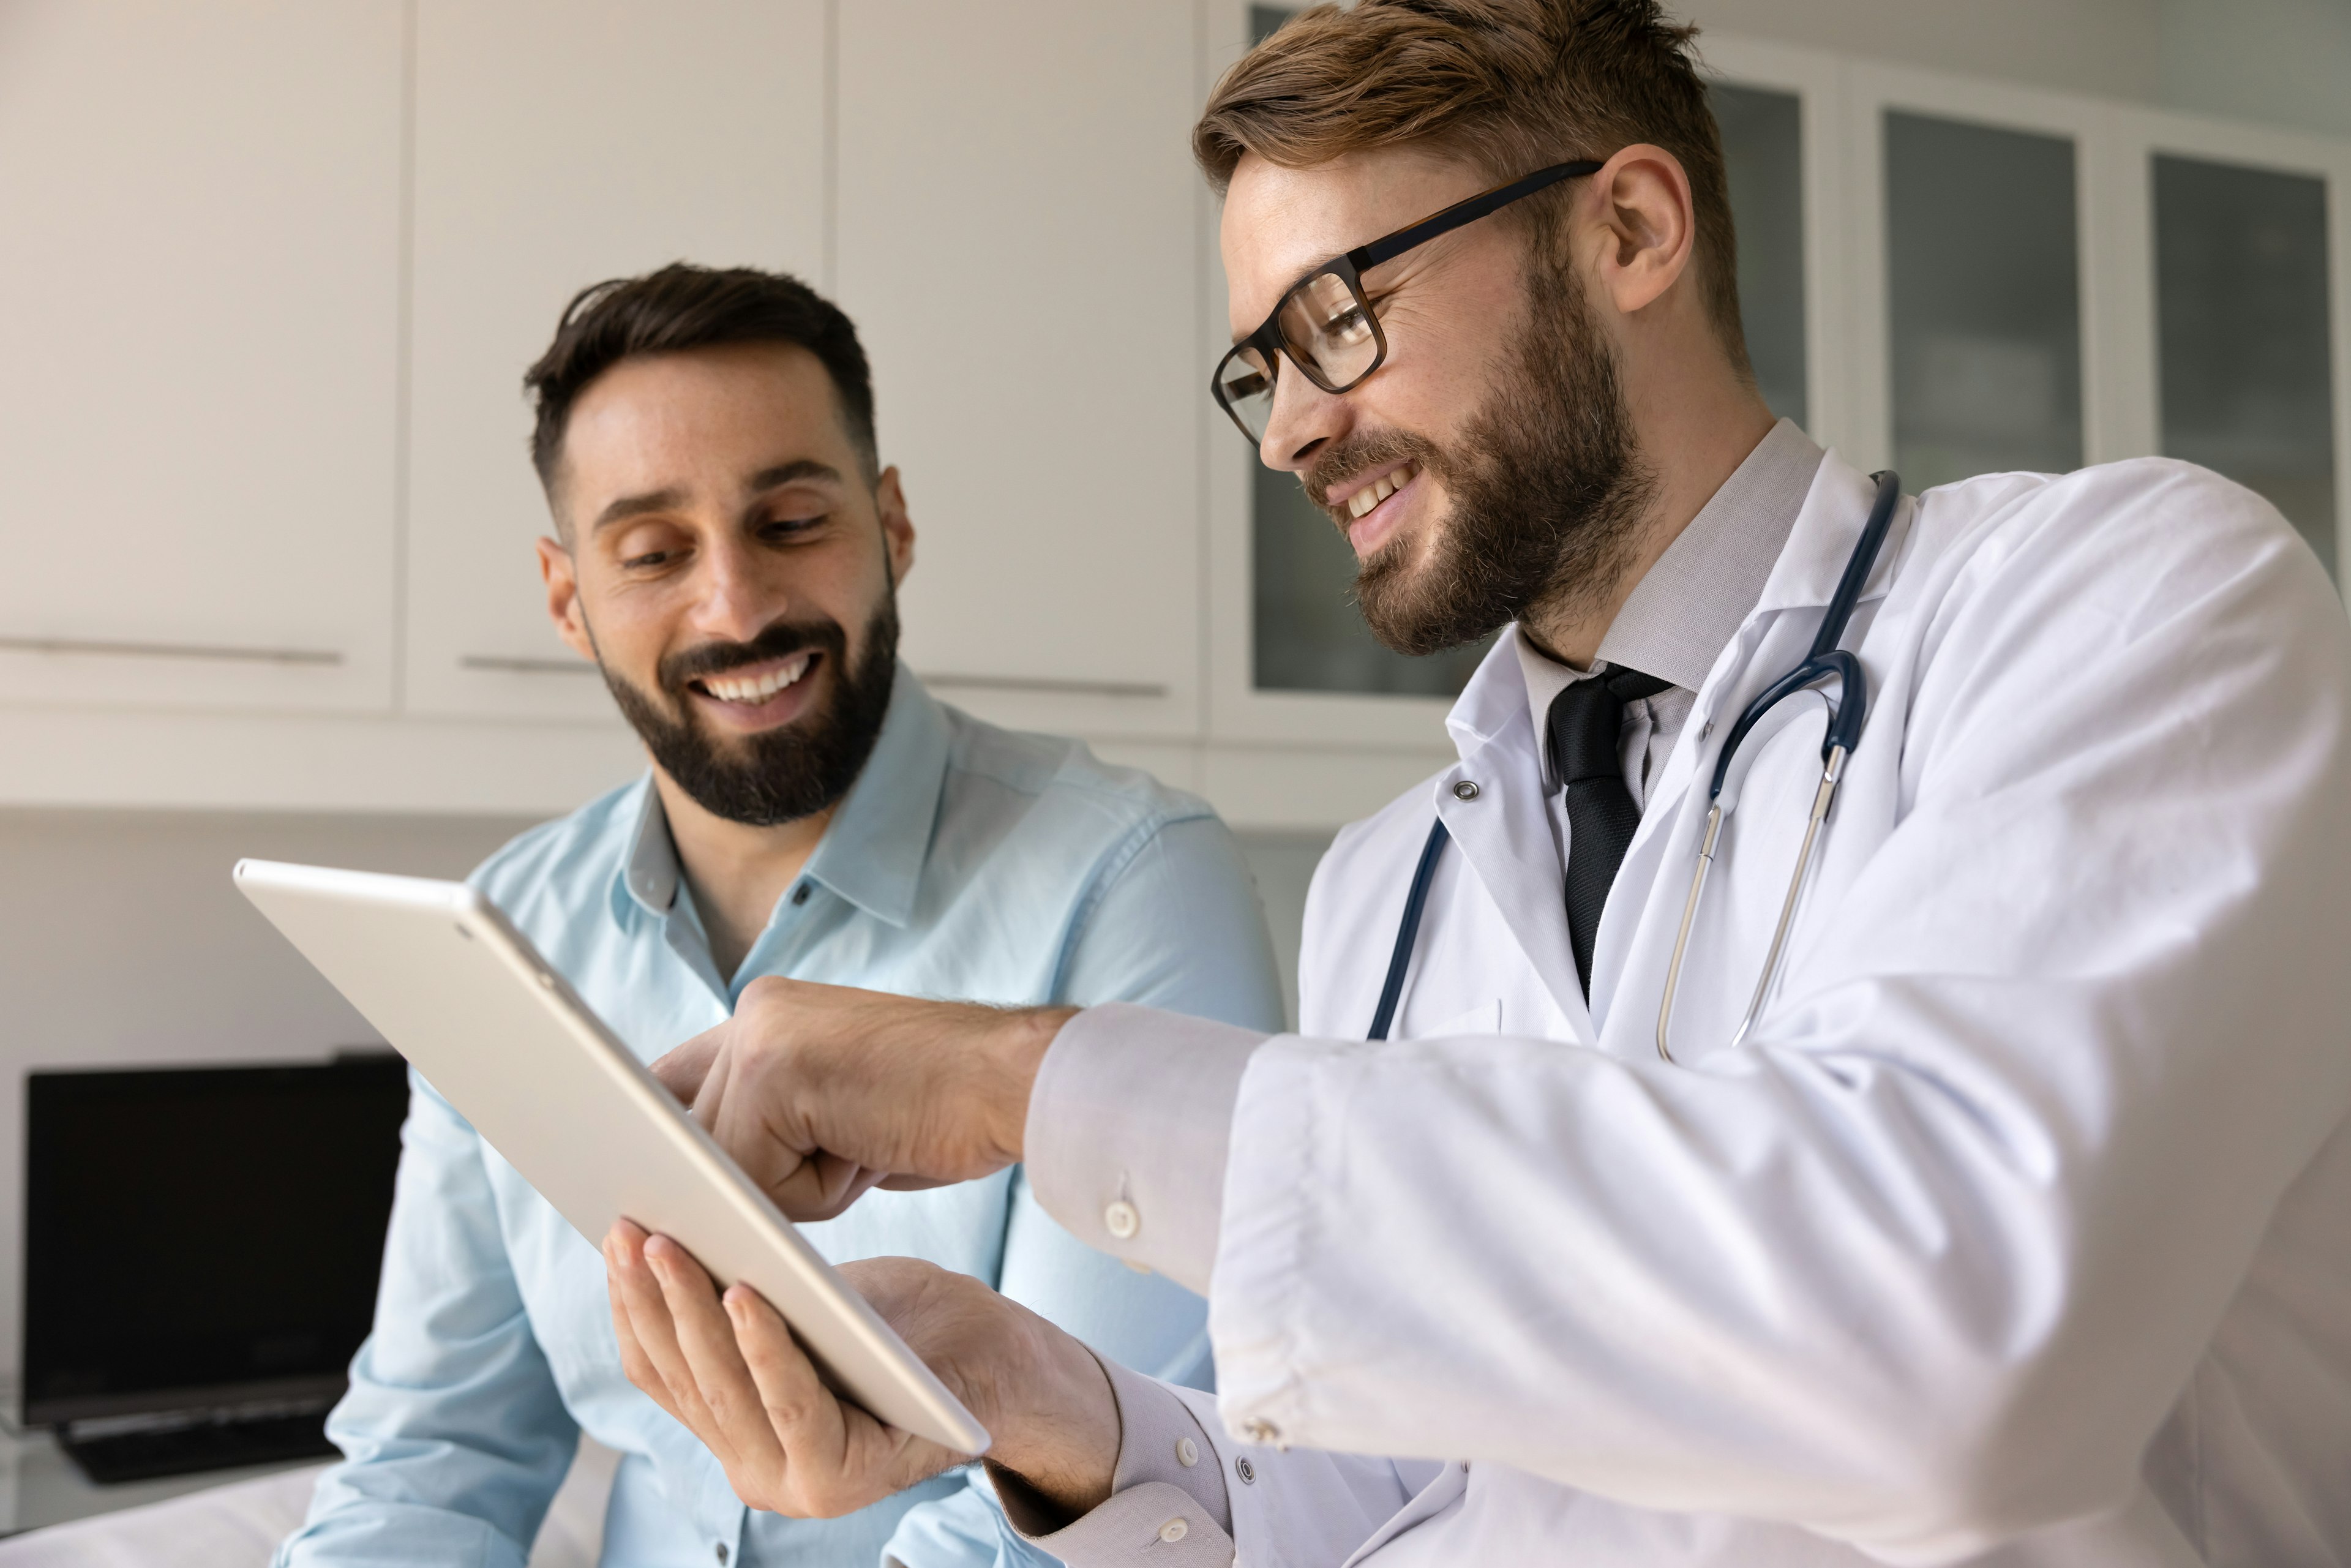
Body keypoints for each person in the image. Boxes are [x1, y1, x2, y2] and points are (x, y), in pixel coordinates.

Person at [594, 6, 2351, 1566]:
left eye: (1340, 317)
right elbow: (1392, 1490)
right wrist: (1020, 1393)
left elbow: (1958, 1351)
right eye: (1260, 366)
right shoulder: (1396, 879)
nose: (1289, 428)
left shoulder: (2128, 602)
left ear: (1632, 229)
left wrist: (1016, 1081)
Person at [275, 264, 1286, 1568]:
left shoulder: (1136, 881)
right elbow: (433, 1460)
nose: (737, 607)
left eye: (793, 521)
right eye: (652, 554)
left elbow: (1111, 1480)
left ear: (892, 525)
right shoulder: (505, 932)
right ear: (567, 597)